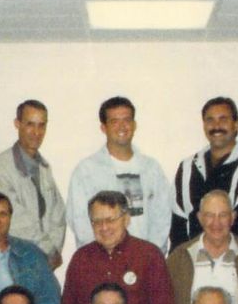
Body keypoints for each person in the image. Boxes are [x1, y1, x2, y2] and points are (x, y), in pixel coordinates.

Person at [60, 190, 175, 304]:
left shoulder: (149, 255)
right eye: (97, 221)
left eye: (110, 220)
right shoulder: (81, 258)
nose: (104, 227)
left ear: (126, 219)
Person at [66, 95, 173, 251]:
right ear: (103, 128)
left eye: (127, 120)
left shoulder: (151, 169)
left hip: (145, 261)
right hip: (103, 261)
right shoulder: (86, 171)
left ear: (134, 125)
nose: (122, 127)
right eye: (114, 121)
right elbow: (79, 221)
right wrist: (101, 256)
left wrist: (151, 255)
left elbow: (162, 218)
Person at [170, 96, 238, 248]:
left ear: (236, 124)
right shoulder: (187, 168)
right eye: (210, 120)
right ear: (204, 125)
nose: (216, 126)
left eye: (223, 119)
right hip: (193, 260)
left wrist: (212, 256)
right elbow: (178, 225)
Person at [0, 99, 67, 267]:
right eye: (30, 124)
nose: (36, 132)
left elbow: (59, 215)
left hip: (44, 262)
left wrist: (54, 250)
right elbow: (13, 221)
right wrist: (47, 249)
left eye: (42, 125)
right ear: (17, 123)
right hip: (14, 261)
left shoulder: (44, 167)